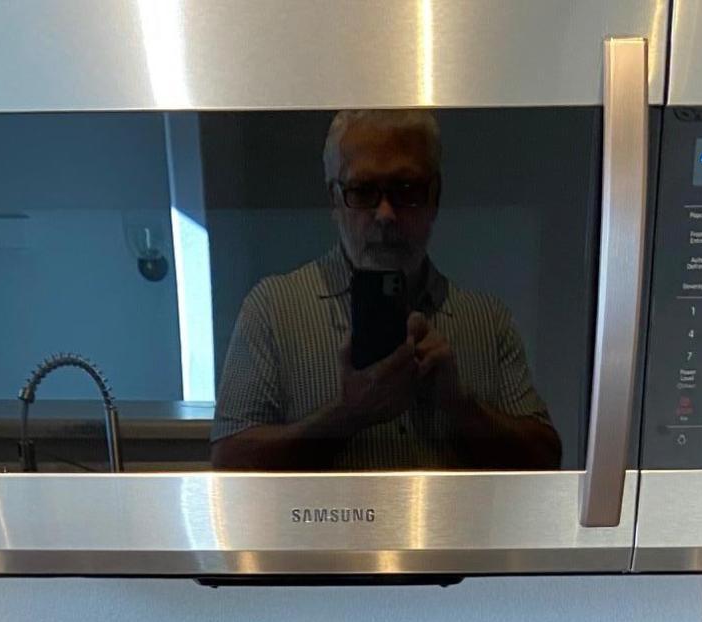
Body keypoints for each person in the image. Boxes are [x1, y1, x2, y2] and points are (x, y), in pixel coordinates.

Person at [210, 110, 561, 472]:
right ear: (335, 199)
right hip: (326, 529)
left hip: (452, 531)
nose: (385, 214)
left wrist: (460, 406)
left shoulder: (487, 321)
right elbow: (229, 464)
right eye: (362, 191)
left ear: (434, 196)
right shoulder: (273, 310)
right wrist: (348, 415)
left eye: (406, 190)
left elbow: (547, 459)